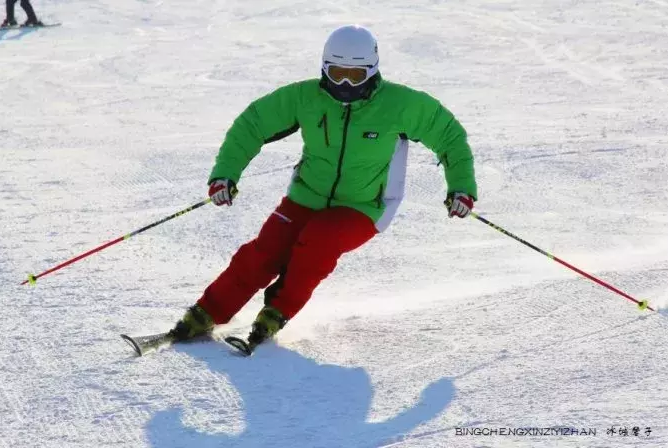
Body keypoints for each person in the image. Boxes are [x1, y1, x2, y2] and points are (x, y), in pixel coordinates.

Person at [168, 24, 478, 351]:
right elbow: (252, 124)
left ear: (372, 72)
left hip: (364, 206)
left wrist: (461, 188)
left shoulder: (400, 105)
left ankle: (275, 313)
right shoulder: (306, 98)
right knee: (265, 250)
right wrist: (225, 175)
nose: (344, 84)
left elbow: (450, 138)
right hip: (306, 197)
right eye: (336, 73)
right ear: (324, 68)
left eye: (355, 76)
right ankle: (205, 313)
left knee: (318, 240)